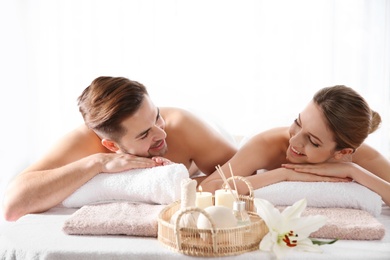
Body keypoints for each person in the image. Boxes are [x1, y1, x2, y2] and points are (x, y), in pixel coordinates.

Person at [2, 76, 237, 221]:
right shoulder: (83, 144)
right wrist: (98, 163)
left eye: (156, 117)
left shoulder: (184, 127)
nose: (162, 133)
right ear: (111, 146)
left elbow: (242, 177)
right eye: (145, 134)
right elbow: (12, 206)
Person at [200, 85, 390, 206]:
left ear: (343, 152)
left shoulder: (359, 156)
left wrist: (354, 170)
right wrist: (284, 174)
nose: (294, 141)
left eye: (313, 141)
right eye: (298, 122)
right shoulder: (267, 145)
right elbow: (207, 188)